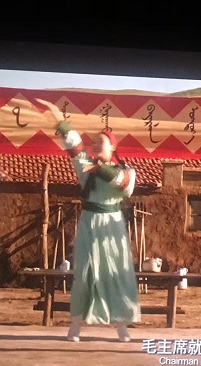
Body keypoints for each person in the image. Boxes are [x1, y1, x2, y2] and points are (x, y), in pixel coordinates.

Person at [36, 98, 140, 342]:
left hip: (112, 225)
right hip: (89, 223)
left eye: (101, 142)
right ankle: (75, 325)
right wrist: (59, 120)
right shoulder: (86, 167)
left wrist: (99, 168)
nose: (95, 145)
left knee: (116, 272)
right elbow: (73, 146)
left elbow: (123, 185)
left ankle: (121, 325)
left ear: (112, 147)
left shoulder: (127, 171)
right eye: (94, 142)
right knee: (84, 273)